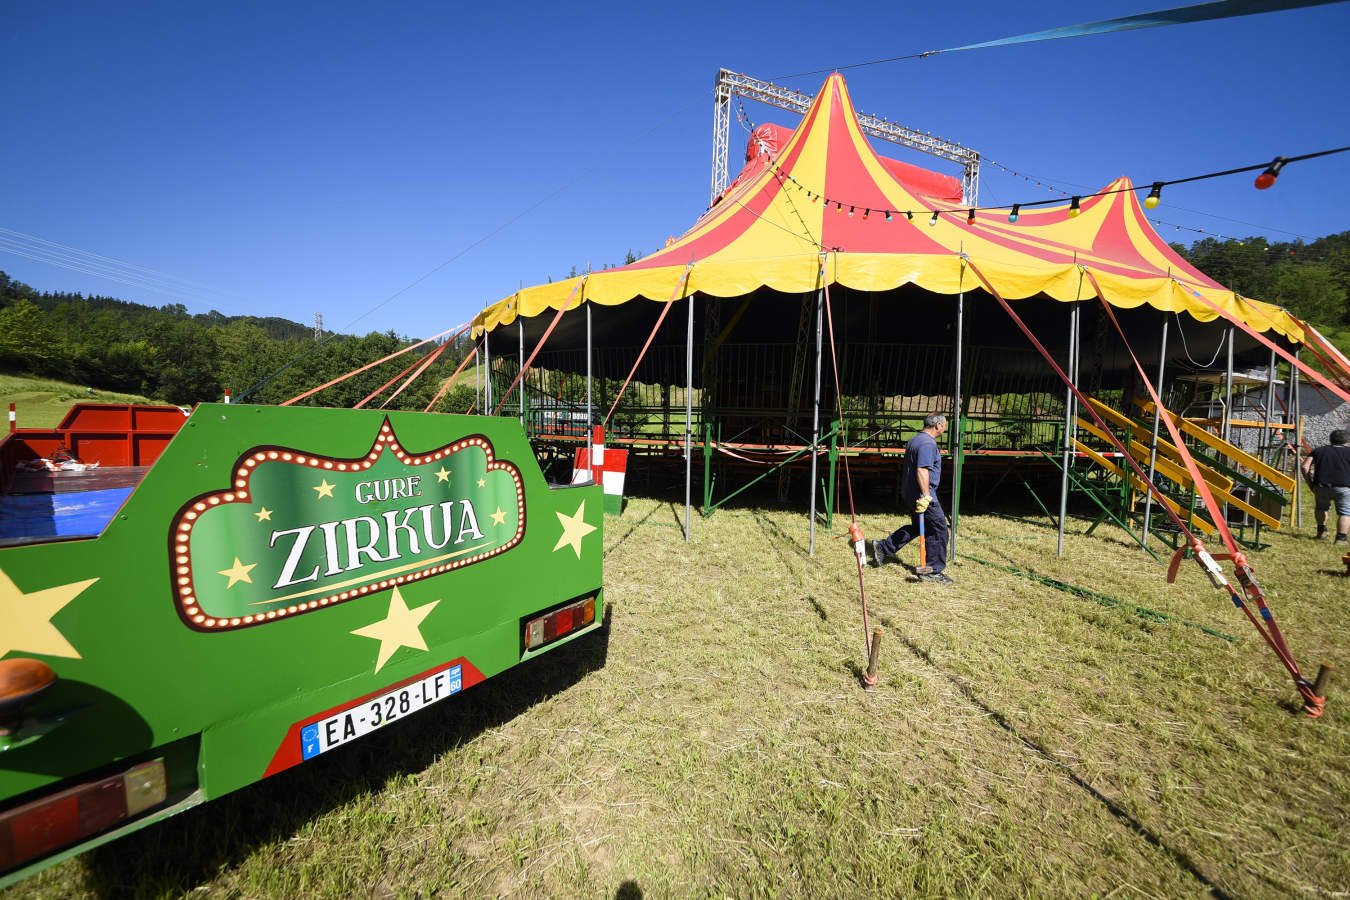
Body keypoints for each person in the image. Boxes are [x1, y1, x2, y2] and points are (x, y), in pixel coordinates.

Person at [867, 412, 952, 583]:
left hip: (910, 493)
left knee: (919, 527)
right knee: (939, 530)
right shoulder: (928, 444)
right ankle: (932, 571)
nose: (945, 428)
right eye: (945, 424)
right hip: (923, 497)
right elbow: (922, 470)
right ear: (938, 426)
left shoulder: (915, 439)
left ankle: (883, 547)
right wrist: (927, 496)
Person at [1303, 428, 1350, 542]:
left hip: (1321, 486)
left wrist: (1310, 483)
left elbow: (1305, 466)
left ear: (1330, 440)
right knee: (1345, 512)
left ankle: (1321, 531)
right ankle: (1341, 538)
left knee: (1321, 508)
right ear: (1347, 441)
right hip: (1343, 487)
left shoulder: (1319, 450)